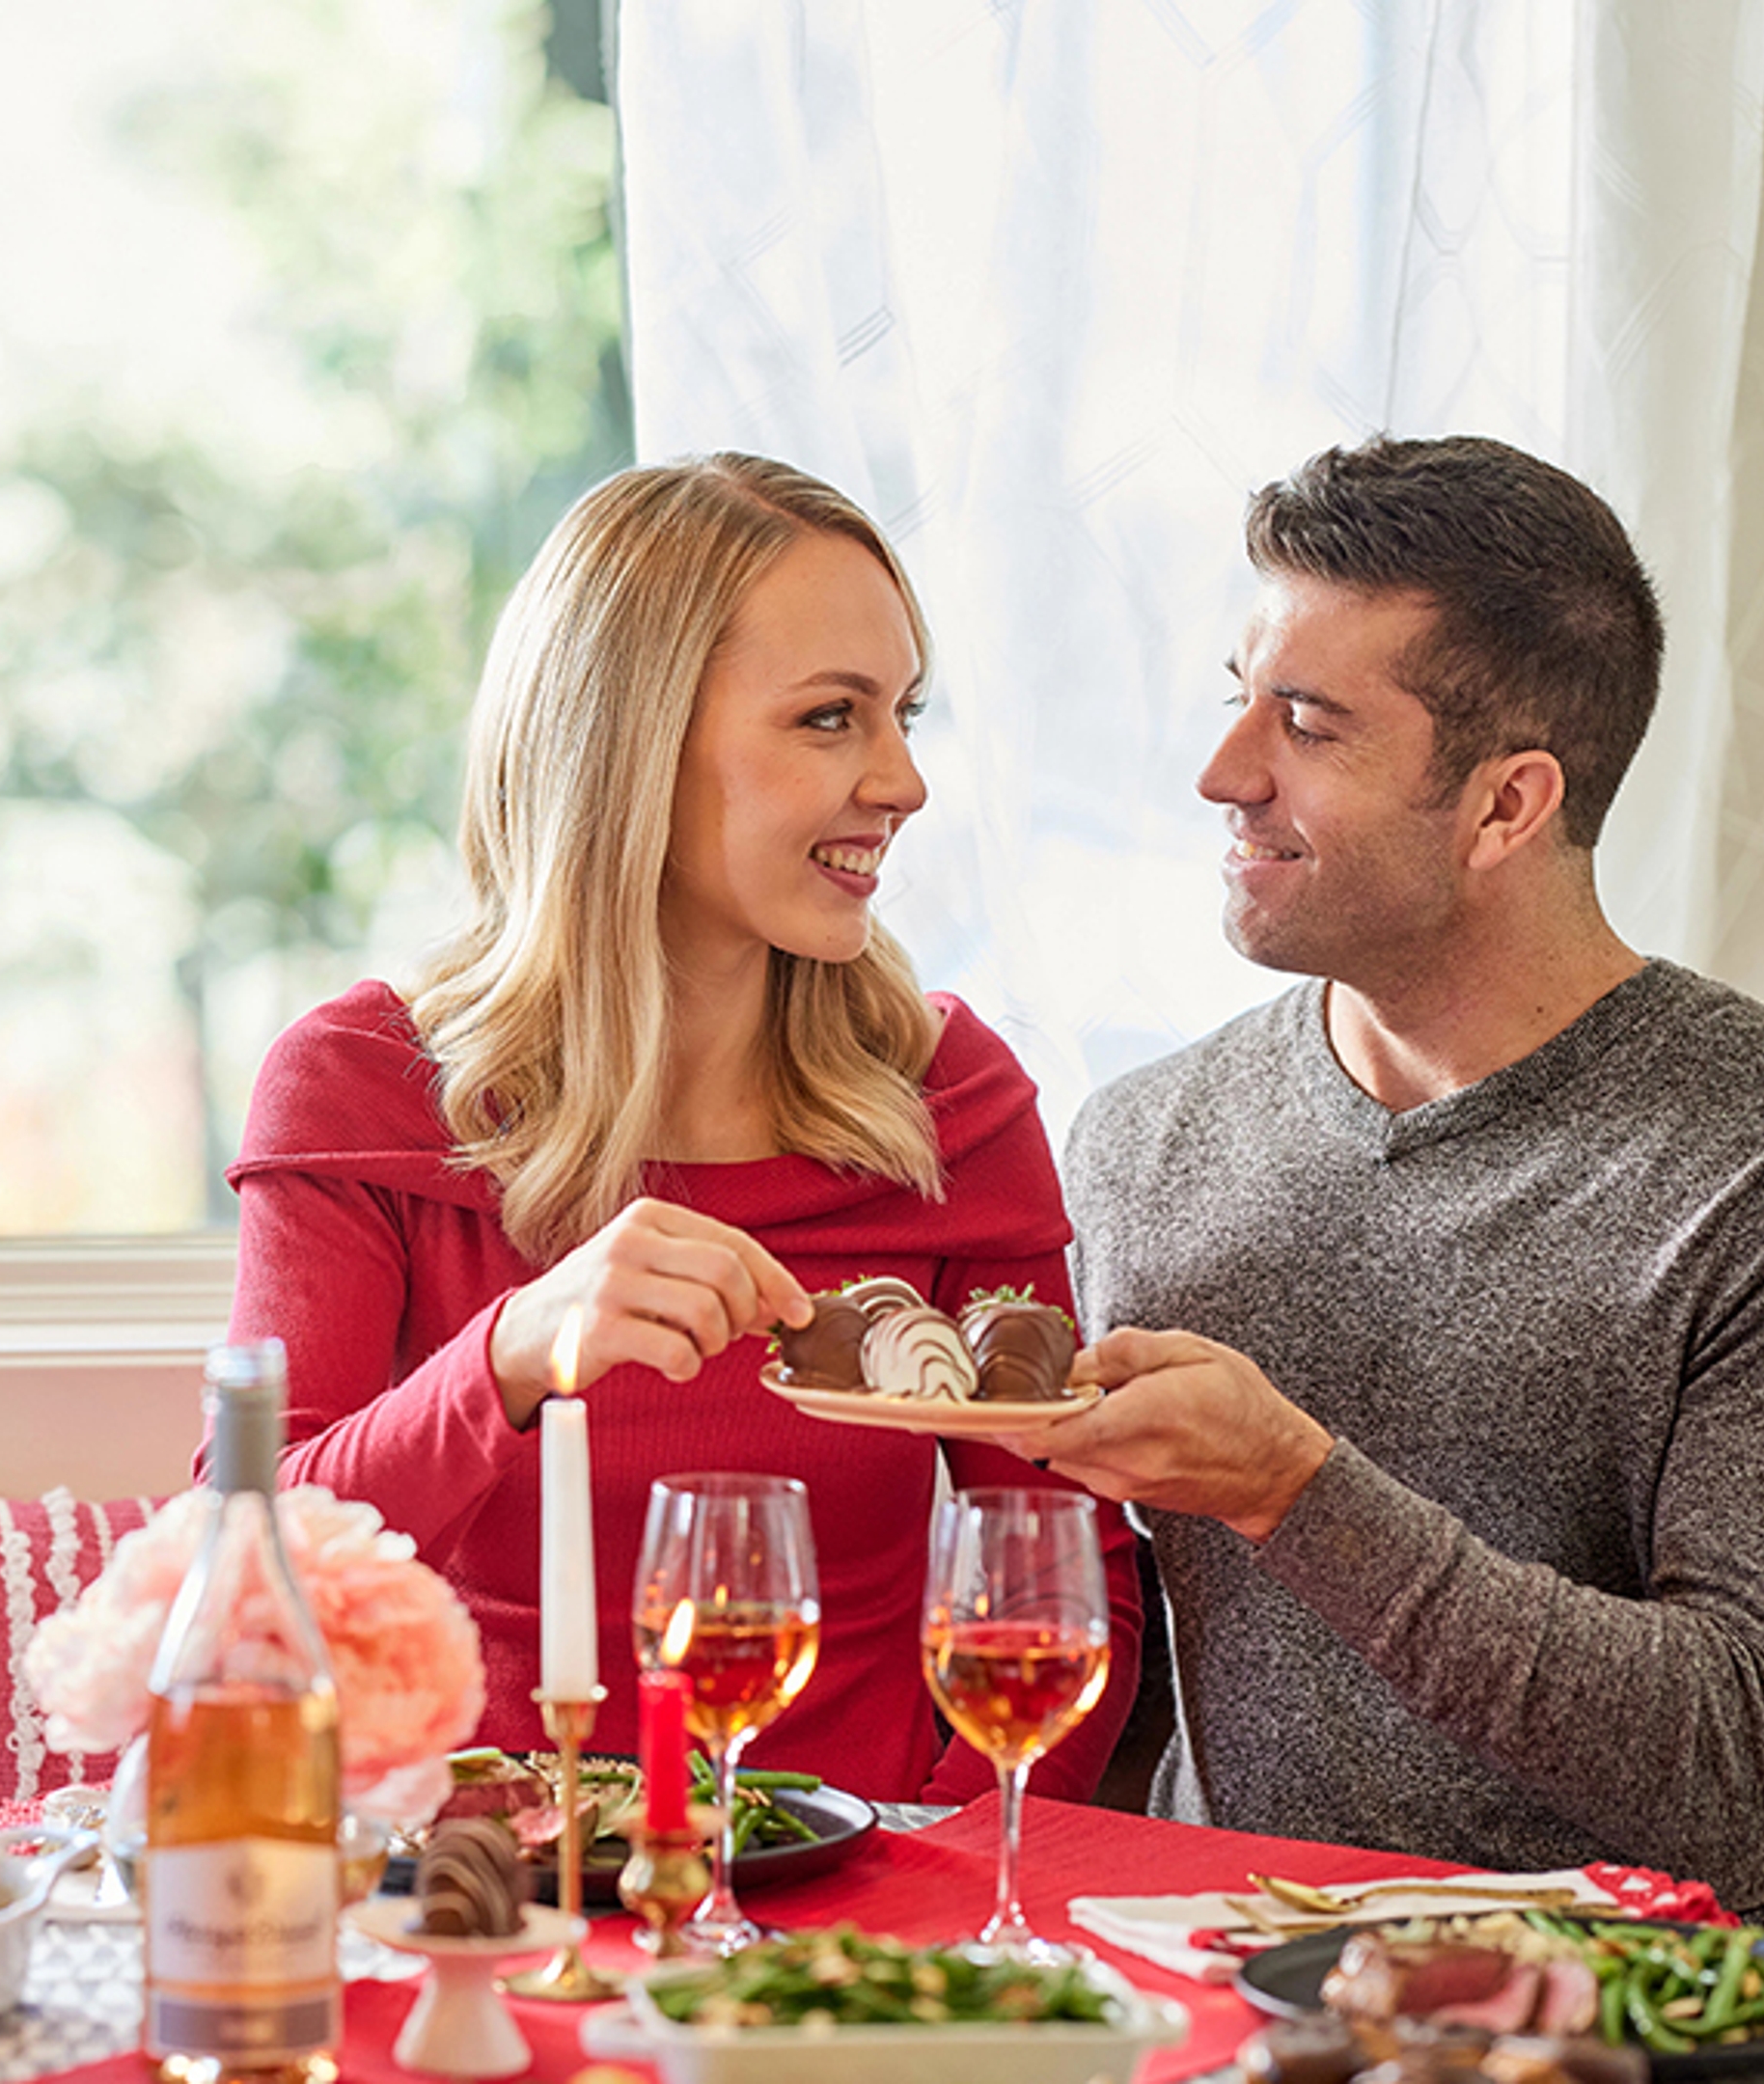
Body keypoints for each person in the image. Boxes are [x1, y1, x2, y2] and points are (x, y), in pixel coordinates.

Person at [1015, 435, 1764, 1954]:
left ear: (1509, 806)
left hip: (1666, 2018)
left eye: (1308, 725)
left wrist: (1292, 1490)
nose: (1223, 773)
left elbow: (1752, 1782)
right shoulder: (1144, 1142)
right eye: (1238, 694)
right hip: (1230, 1991)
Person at [221, 452, 1141, 1805]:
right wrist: (509, 1358)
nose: (904, 781)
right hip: (491, 1895)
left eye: (904, 716)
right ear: (631, 744)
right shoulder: (361, 1089)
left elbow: (1069, 1587)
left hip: (869, 1911)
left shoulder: (944, 1100)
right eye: (831, 718)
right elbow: (247, 1570)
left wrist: (935, 1876)